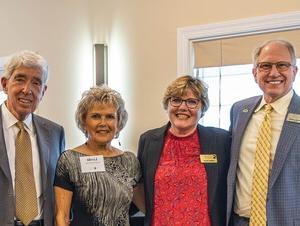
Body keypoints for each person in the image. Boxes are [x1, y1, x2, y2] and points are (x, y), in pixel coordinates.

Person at [137, 75, 231, 226]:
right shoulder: (148, 140)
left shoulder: (221, 140)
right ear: (167, 105)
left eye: (192, 102)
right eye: (176, 100)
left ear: (203, 108)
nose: (182, 107)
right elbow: (140, 187)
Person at [227, 39, 300, 226]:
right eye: (265, 66)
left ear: (294, 71)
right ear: (255, 72)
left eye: (282, 65)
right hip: (238, 222)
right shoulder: (239, 110)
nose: (274, 73)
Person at [54, 85, 144, 226]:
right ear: (84, 121)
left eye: (109, 117)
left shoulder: (130, 161)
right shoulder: (69, 161)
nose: (103, 123)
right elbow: (62, 216)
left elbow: (146, 207)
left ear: (118, 122)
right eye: (95, 116)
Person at [0, 50, 65, 226]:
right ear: (5, 84)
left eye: (36, 83)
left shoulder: (55, 133)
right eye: (20, 79)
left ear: (43, 91)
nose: (27, 90)